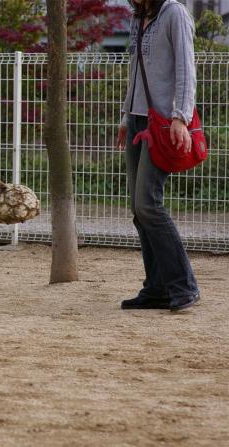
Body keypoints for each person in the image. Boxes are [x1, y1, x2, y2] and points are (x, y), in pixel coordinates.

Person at [115, 0, 200, 311]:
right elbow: (135, 71)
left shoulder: (174, 13)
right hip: (138, 120)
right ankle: (157, 288)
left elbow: (186, 69)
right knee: (139, 210)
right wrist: (126, 115)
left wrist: (181, 117)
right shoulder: (140, 17)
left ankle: (184, 285)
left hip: (164, 121)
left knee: (149, 204)